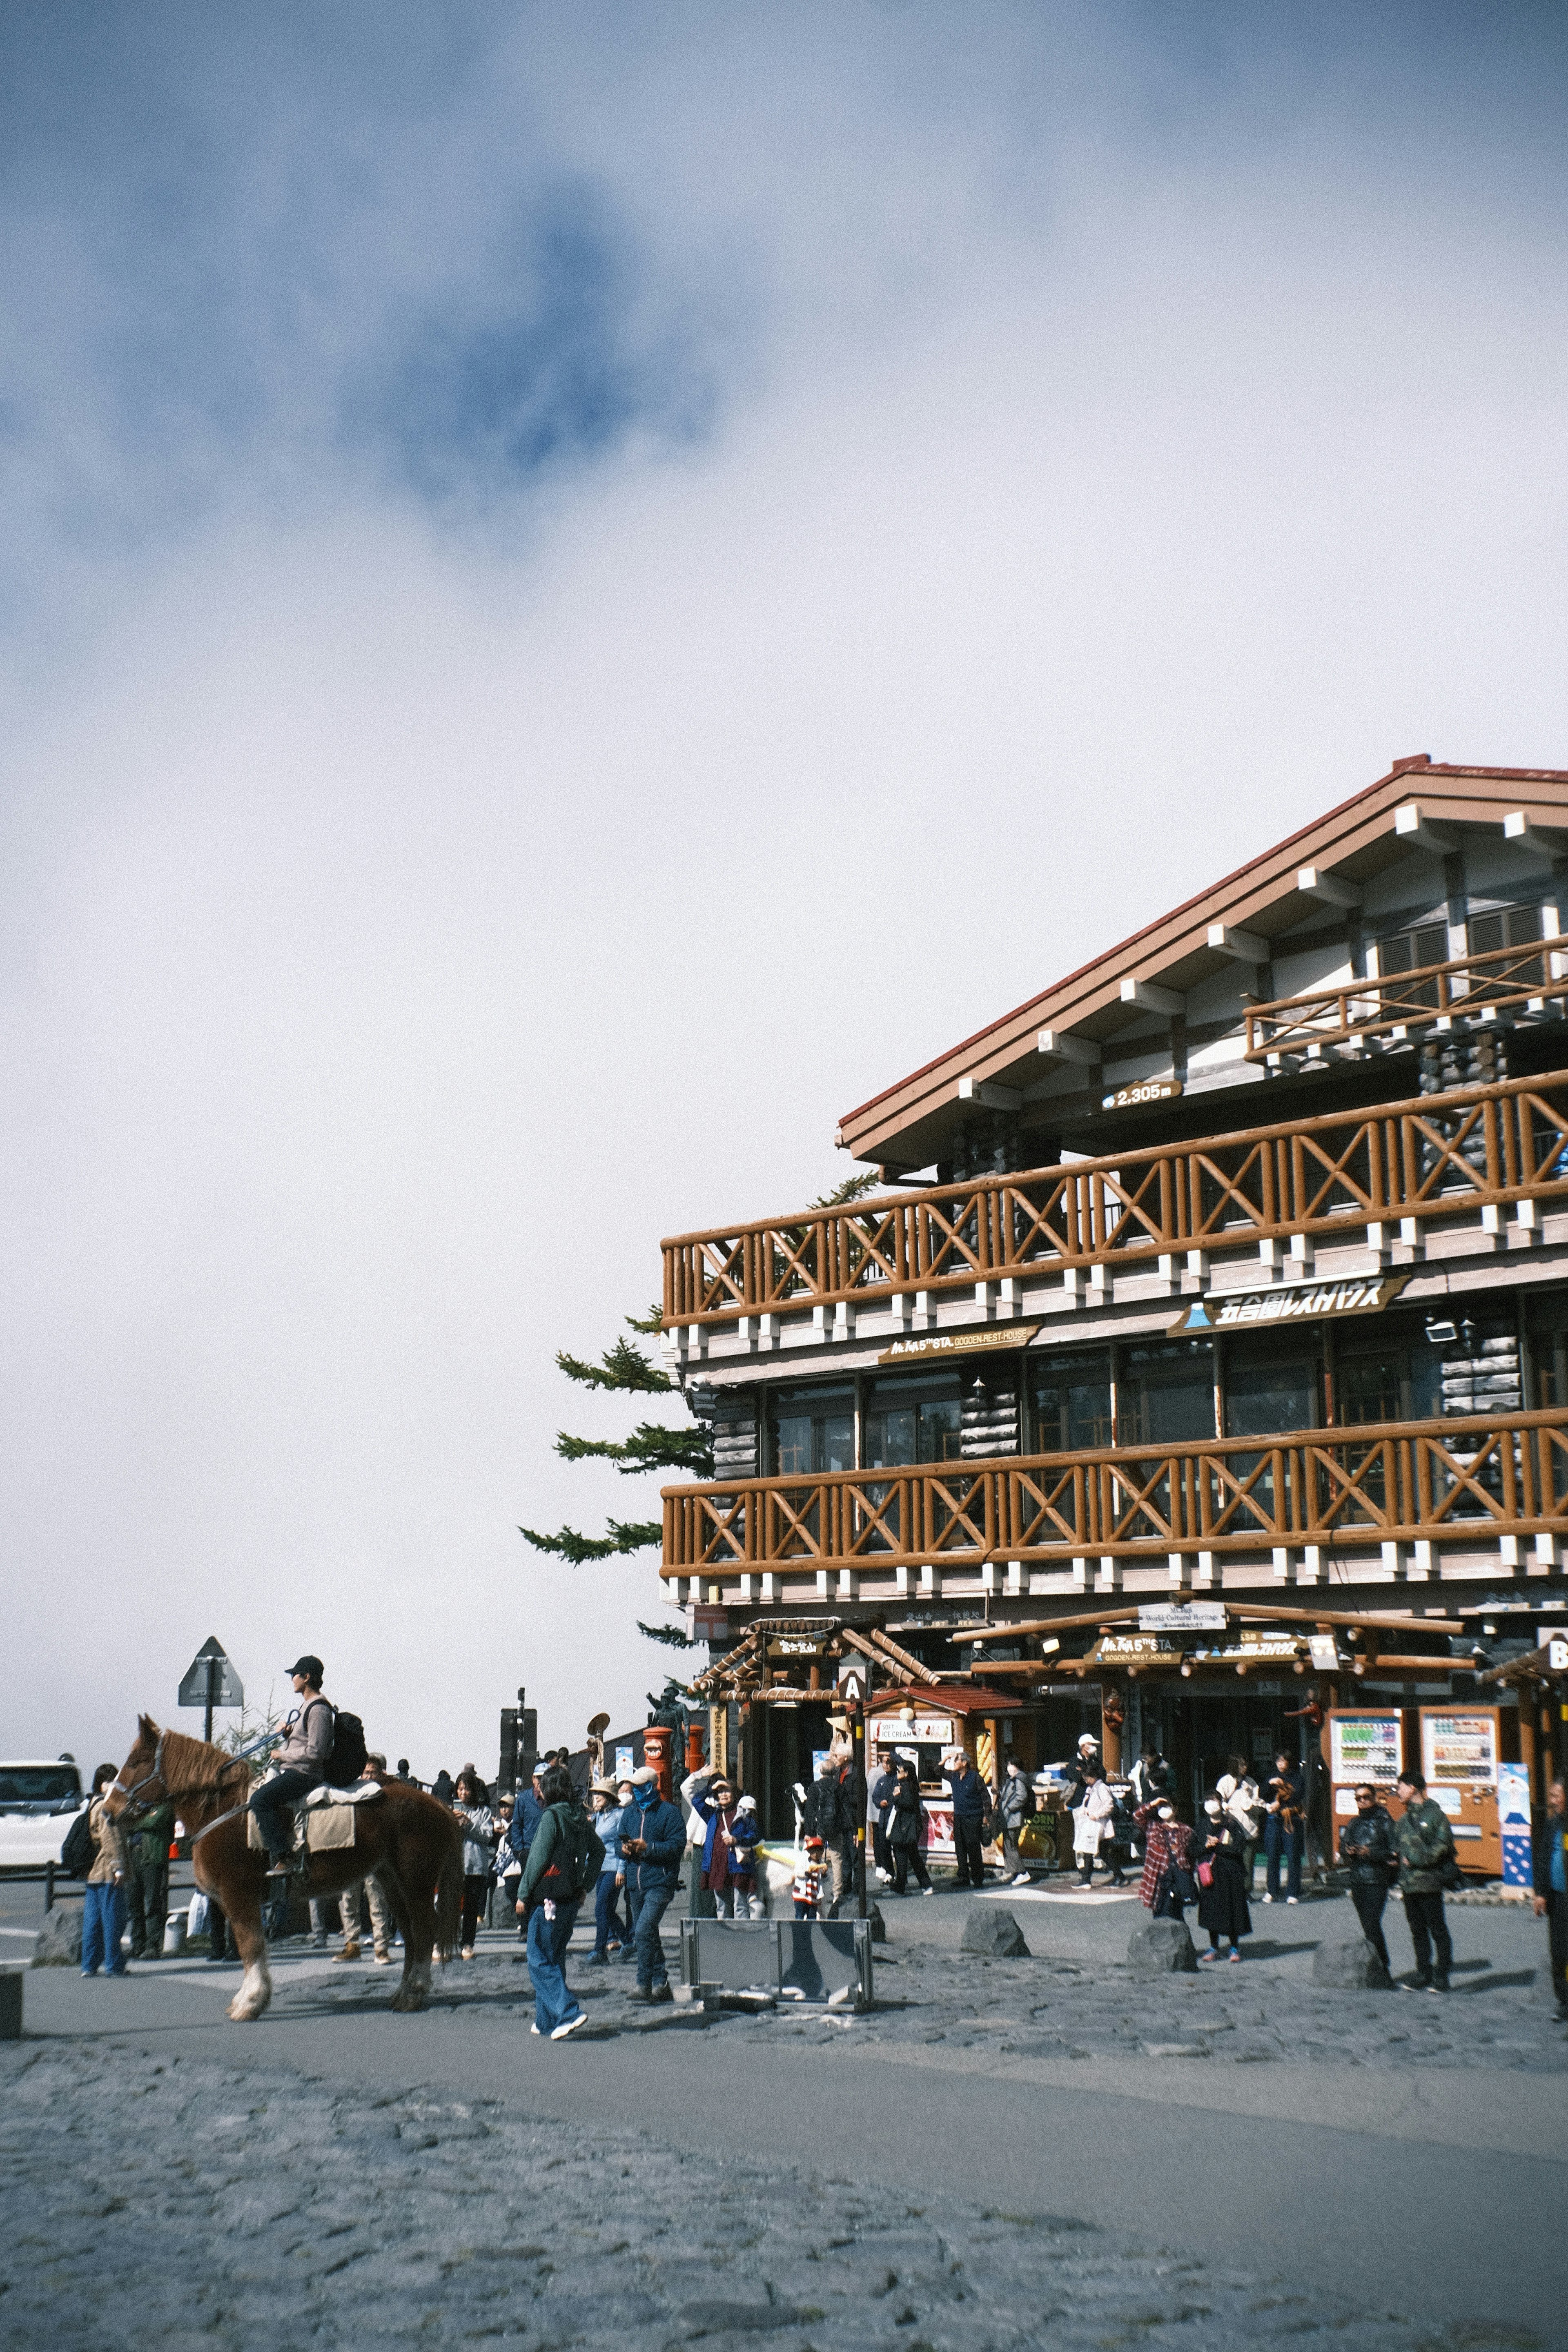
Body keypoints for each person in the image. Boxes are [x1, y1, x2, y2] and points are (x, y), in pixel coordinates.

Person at [517, 1762, 603, 2040]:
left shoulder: (551, 1818)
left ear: (548, 1789)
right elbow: (599, 1851)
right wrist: (586, 1886)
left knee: (538, 1958)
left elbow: (537, 1859)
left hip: (548, 1898)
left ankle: (568, 2012)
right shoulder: (579, 1815)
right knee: (554, 1957)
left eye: (542, 1784)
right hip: (570, 1897)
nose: (538, 1789)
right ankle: (546, 2020)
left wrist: (523, 1893)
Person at [249, 1656, 335, 1866]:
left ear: (306, 1678)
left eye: (294, 1675)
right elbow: (305, 1743)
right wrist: (289, 1736)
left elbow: (317, 1752)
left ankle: (283, 1856)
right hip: (296, 1771)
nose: (292, 1680)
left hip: (305, 1775)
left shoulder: (319, 1709)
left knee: (259, 1800)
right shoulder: (307, 1706)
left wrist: (282, 1754)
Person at [618, 1763, 685, 2003]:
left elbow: (677, 1848)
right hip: (635, 1884)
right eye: (632, 1786)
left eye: (639, 1787)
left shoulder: (670, 1813)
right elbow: (618, 1845)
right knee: (649, 1932)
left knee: (644, 1930)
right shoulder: (629, 1813)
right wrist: (625, 1849)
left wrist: (649, 1848)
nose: (634, 1791)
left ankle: (643, 1984)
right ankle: (662, 1982)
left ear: (651, 1786)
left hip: (660, 1881)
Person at [1394, 1768, 1457, 1991]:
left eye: (1400, 1787)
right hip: (1409, 1884)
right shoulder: (1403, 1820)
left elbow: (1444, 1846)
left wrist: (1417, 1859)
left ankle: (1443, 1976)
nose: (1397, 1791)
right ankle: (1424, 1973)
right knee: (1417, 1930)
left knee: (1437, 1929)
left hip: (1430, 1882)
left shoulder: (1436, 1816)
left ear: (1412, 1788)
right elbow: (1397, 1849)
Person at [334, 1751, 395, 1964]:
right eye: (365, 1772)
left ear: (382, 1774)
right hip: (350, 1853)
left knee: (377, 1902)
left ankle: (381, 1948)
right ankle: (352, 1945)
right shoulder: (352, 1791)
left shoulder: (385, 1796)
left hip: (374, 1856)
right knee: (348, 1900)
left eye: (373, 1773)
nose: (368, 1776)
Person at [1338, 1782, 1399, 1978]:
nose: (1362, 1801)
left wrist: (1369, 1852)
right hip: (1357, 1879)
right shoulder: (1354, 1823)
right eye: (1358, 1798)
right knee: (1367, 1925)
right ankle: (1377, 1966)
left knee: (1372, 1924)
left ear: (1374, 1798)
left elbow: (1394, 1853)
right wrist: (1347, 1850)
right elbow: (1342, 1845)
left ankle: (1384, 1967)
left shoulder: (1386, 1821)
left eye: (1366, 1797)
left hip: (1377, 1879)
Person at [80, 1764, 128, 1978]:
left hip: (93, 1873)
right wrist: (119, 1868)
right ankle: (114, 1965)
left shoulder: (92, 1804)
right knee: (113, 1921)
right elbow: (112, 1840)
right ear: (104, 1783)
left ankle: (89, 1965)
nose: (117, 1785)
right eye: (113, 1781)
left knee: (93, 1922)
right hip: (108, 1871)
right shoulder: (106, 1807)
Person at [1193, 1791, 1252, 1962]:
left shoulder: (1231, 1824)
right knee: (1212, 1909)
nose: (1211, 1804)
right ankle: (1213, 1947)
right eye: (1208, 1801)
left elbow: (1240, 1847)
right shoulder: (1201, 1826)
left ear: (1221, 1803)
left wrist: (1218, 1847)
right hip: (1210, 1873)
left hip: (1230, 1872)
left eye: (1214, 1801)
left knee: (1232, 1909)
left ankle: (1234, 1947)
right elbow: (1193, 1849)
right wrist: (1206, 1845)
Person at [1531, 1775, 1568, 2022]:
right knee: (1559, 1950)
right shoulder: (1553, 1824)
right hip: (1557, 1898)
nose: (1552, 1801)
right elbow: (1543, 1859)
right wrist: (1541, 1893)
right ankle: (1564, 2000)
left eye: (1557, 1796)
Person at [452, 1766, 497, 1959]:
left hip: (476, 1867)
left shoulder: (484, 1812)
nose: (463, 1793)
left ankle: (468, 1943)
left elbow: (487, 1837)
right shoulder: (451, 1809)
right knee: (452, 1907)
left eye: (466, 1789)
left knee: (471, 1909)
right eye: (460, 1789)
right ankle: (449, 1942)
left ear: (474, 1791)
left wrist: (468, 1824)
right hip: (455, 1866)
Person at [124, 1793, 174, 1960]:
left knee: (153, 1902)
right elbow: (124, 1820)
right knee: (134, 1902)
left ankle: (153, 1946)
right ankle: (138, 1945)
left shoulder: (164, 1803)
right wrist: (136, 1822)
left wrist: (135, 1822)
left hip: (152, 1857)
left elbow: (154, 1821)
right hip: (133, 1855)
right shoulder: (136, 1803)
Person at [586, 1777, 628, 1962]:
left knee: (601, 1907)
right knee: (607, 1910)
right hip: (600, 1868)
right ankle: (628, 1941)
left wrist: (622, 1870)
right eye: (595, 1794)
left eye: (600, 1794)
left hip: (614, 1867)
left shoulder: (620, 1816)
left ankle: (599, 1950)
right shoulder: (600, 1816)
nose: (596, 1797)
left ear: (609, 1796)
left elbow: (624, 1844)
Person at [1135, 1799, 1193, 1919]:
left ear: (1176, 1809)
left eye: (1168, 1807)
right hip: (1159, 1877)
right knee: (1159, 1914)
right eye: (1162, 1807)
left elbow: (1191, 1856)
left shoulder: (1186, 1830)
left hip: (1177, 1877)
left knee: (1177, 1914)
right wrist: (1153, 1804)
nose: (1164, 1810)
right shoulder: (1153, 1827)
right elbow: (1137, 1816)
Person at [1261, 1749, 1306, 1906]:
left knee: (1292, 1855)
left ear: (1289, 1762)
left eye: (1284, 1761)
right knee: (1272, 1855)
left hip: (1291, 1819)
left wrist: (1280, 1803)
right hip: (1273, 1820)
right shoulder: (1272, 1776)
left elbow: (1297, 1796)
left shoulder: (1297, 1778)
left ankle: (1293, 1892)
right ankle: (1272, 1891)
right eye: (1278, 1761)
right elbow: (1263, 1794)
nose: (1281, 1764)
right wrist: (1270, 1783)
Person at [942, 1749, 991, 1889]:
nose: (954, 1763)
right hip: (959, 1816)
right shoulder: (954, 1777)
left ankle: (978, 1878)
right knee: (960, 1848)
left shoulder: (975, 1777)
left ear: (964, 1763)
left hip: (973, 1817)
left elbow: (986, 1798)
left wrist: (986, 1816)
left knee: (973, 1848)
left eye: (956, 1760)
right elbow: (937, 1770)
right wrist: (946, 1758)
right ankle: (963, 1877)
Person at [886, 1758, 934, 1896]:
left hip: (905, 1827)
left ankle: (902, 1887)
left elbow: (908, 1804)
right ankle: (925, 1885)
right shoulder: (910, 1785)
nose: (897, 1773)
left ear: (907, 1773)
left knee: (903, 1857)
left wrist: (896, 1797)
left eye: (900, 1771)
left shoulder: (906, 1786)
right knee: (913, 1856)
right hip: (908, 1827)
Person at [1071, 1763, 1116, 1889]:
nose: (1086, 1781)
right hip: (1092, 1825)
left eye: (1087, 1778)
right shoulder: (1091, 1788)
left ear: (1093, 1776)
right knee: (1091, 1851)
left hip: (1099, 1824)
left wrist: (1096, 1815)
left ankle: (1119, 1876)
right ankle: (1087, 1879)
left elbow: (1109, 1805)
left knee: (1102, 1853)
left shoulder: (1102, 1788)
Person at [995, 1758, 1035, 1886]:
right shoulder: (1014, 1779)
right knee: (1009, 1846)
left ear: (1016, 1766)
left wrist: (1009, 1808)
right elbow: (1011, 1795)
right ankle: (1014, 1872)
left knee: (1011, 1846)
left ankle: (1023, 1873)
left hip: (1014, 1819)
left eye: (1010, 1766)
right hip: (1010, 1819)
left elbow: (1022, 1797)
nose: (1008, 1768)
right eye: (1007, 1766)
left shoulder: (1019, 1779)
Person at [869, 1753, 899, 1883]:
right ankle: (890, 1873)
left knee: (897, 1849)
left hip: (895, 1818)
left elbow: (899, 1797)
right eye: (884, 1762)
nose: (886, 1765)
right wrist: (879, 1802)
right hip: (883, 1818)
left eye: (888, 1762)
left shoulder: (897, 1779)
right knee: (884, 1848)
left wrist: (891, 1801)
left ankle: (900, 1875)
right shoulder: (881, 1780)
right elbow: (875, 1796)